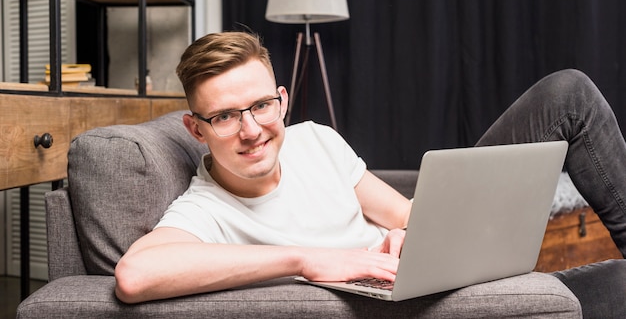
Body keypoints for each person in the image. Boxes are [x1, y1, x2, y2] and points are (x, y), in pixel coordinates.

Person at [115, 31, 626, 315]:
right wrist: (309, 260)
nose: (251, 130)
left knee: (568, 94)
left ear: (282, 101)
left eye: (261, 106)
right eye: (225, 116)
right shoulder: (206, 206)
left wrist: (407, 233)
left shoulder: (315, 139)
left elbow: (406, 214)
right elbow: (135, 277)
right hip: (406, 309)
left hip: (430, 275)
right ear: (196, 129)